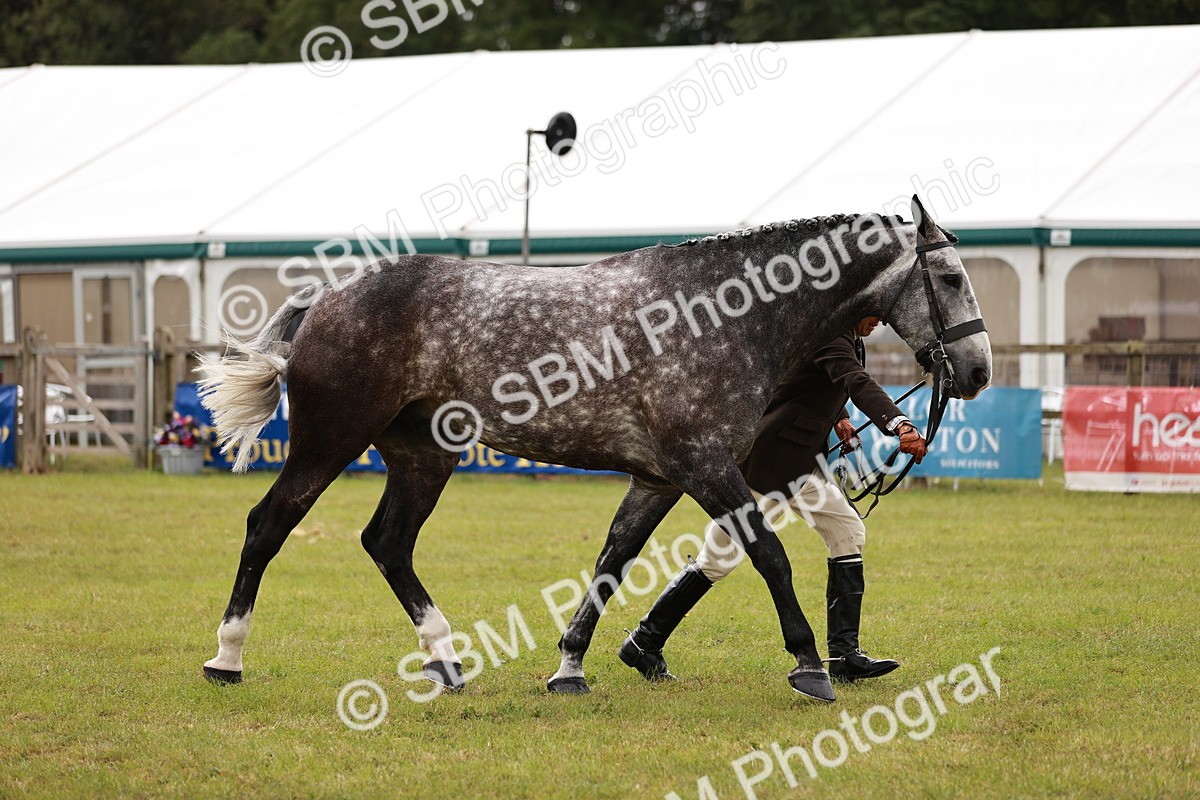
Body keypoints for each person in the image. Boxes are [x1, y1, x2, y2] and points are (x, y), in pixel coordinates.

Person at [619, 317, 927, 684]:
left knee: (847, 531)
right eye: (876, 316)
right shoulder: (830, 333)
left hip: (804, 464)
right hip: (770, 464)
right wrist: (899, 424)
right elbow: (854, 380)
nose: (879, 323)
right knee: (717, 559)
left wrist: (840, 419)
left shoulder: (844, 335)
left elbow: (821, 382)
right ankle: (644, 642)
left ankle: (845, 656)